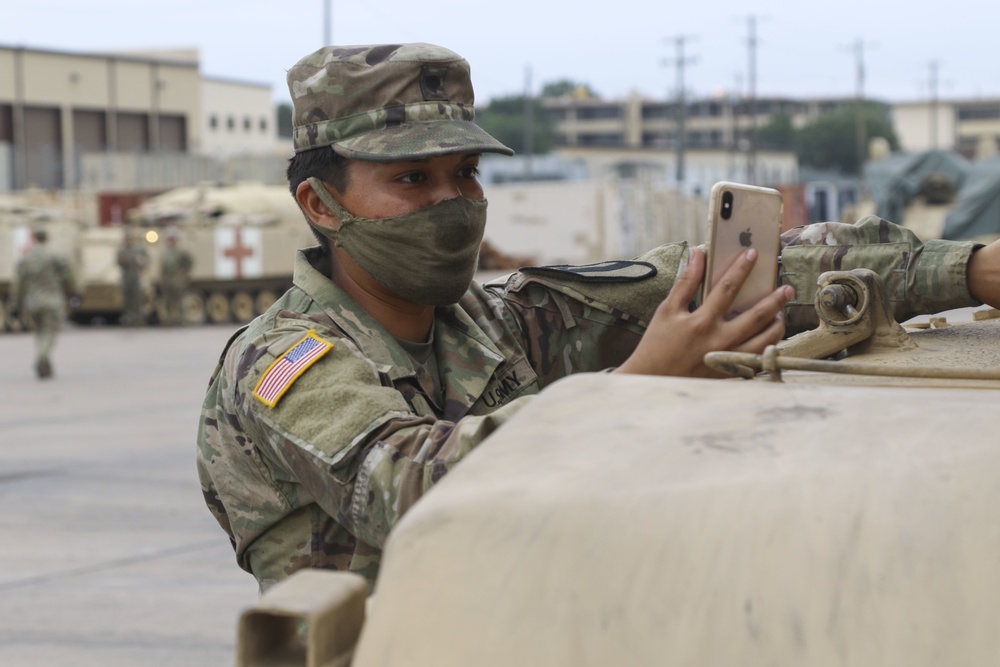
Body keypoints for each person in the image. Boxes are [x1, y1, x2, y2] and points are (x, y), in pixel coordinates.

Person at [196, 43, 1000, 593]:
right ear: (320, 204)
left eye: (466, 174)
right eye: (412, 179)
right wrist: (639, 384)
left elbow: (729, 274)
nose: (452, 203)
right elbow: (409, 484)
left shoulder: (498, 318)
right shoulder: (284, 362)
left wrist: (966, 269)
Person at [12, 228, 78, 378]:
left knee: (40, 331)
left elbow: (19, 283)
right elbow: (69, 276)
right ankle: (43, 356)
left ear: (35, 238)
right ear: (47, 238)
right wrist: (74, 293)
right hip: (52, 299)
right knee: (49, 331)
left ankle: (45, 360)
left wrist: (17, 302)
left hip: (32, 301)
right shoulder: (56, 255)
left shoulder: (26, 258)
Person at [158, 229, 193, 326]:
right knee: (168, 300)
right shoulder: (166, 252)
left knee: (178, 300)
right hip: (167, 279)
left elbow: (189, 261)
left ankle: (180, 319)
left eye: (172, 239)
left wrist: (184, 271)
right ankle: (170, 319)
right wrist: (161, 279)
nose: (171, 241)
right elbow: (163, 267)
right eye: (170, 239)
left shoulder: (181, 251)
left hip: (177, 279)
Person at [117, 227, 149, 326]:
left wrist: (142, 267)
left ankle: (138, 319)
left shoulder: (138, 249)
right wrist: (123, 261)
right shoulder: (122, 250)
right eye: (126, 238)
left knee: (137, 299)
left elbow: (146, 258)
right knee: (127, 299)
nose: (128, 240)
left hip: (135, 277)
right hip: (126, 277)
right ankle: (129, 318)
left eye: (129, 238)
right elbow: (118, 261)